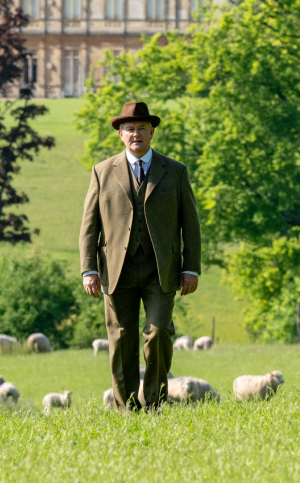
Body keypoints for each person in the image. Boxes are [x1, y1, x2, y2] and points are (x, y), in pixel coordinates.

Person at [79, 101, 202, 411]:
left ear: (152, 133)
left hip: (161, 270)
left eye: (142, 129)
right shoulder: (102, 171)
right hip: (115, 270)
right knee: (121, 340)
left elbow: (191, 224)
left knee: (159, 333)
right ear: (121, 135)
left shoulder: (174, 171)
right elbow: (89, 226)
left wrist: (192, 269)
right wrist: (88, 270)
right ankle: (126, 407)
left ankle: (155, 403)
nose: (136, 134)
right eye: (130, 129)